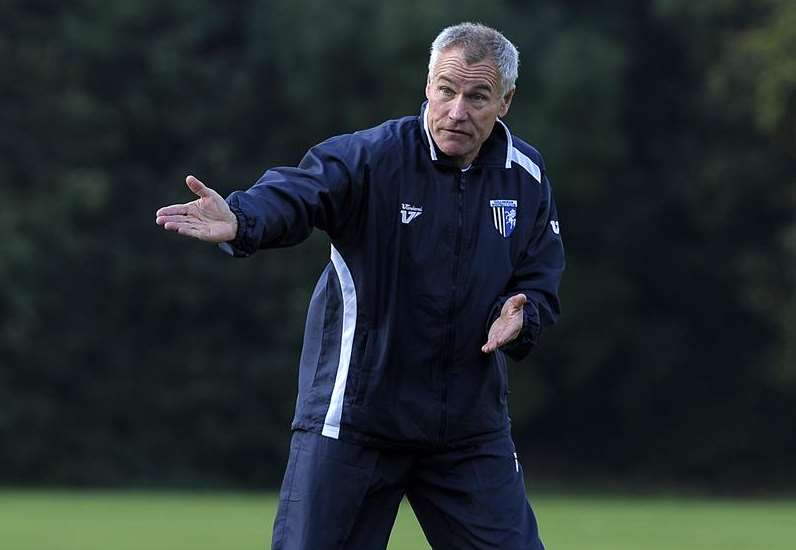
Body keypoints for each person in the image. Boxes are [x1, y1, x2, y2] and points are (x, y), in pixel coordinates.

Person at [156, 22, 564, 550]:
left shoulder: (525, 176)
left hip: (467, 429)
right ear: (427, 85)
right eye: (446, 90)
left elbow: (541, 274)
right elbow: (298, 192)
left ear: (505, 101)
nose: (457, 110)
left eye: (477, 96)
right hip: (355, 421)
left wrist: (524, 312)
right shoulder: (372, 157)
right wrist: (240, 216)